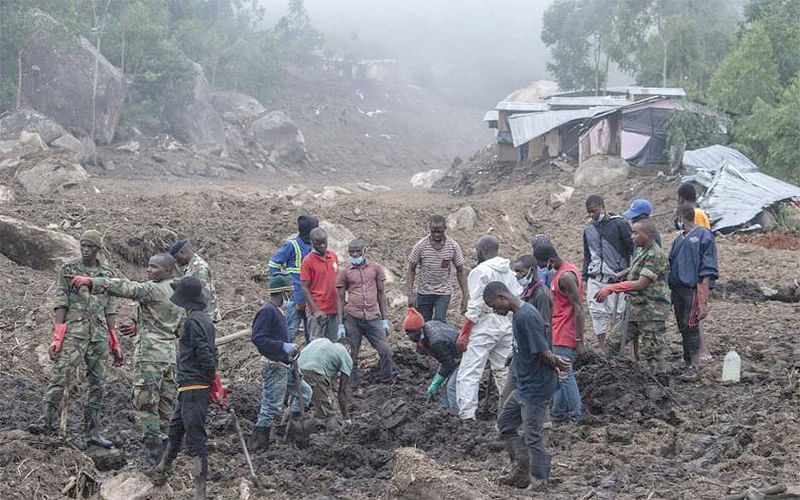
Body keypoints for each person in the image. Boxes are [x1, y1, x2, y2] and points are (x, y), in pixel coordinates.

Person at [68, 253, 184, 463]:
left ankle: (154, 452)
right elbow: (178, 329)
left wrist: (91, 281)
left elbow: (126, 287)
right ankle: (168, 449)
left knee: (145, 403)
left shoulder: (153, 289)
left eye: (154, 267)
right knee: (166, 403)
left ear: (167, 270)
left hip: (149, 355)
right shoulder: (177, 293)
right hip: (168, 354)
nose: (149, 270)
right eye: (148, 266)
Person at [28, 230, 122, 448]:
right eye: (83, 246)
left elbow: (110, 308)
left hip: (97, 335)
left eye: (90, 247)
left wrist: (114, 340)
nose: (86, 250)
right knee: (61, 375)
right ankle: (47, 422)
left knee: (98, 382)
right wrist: (57, 337)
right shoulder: (68, 269)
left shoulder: (106, 274)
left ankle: (92, 432)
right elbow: (61, 301)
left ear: (98, 249)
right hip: (74, 333)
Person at [483, 281, 565, 490]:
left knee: (533, 435)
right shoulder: (519, 315)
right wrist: (515, 354)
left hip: (536, 388)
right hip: (524, 385)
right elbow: (527, 345)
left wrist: (555, 362)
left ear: (503, 297)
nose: (495, 310)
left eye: (494, 305)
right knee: (506, 424)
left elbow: (542, 350)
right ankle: (520, 470)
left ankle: (539, 481)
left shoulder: (527, 316)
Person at [152, 277, 224, 499]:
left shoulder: (193, 323)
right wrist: (213, 377)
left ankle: (200, 491)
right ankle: (161, 470)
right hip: (189, 387)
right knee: (176, 430)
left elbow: (204, 352)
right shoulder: (203, 320)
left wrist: (212, 379)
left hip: (194, 386)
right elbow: (212, 352)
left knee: (195, 437)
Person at [595, 219, 670, 385]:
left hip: (652, 311)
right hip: (636, 310)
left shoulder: (655, 254)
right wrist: (624, 273)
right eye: (632, 232)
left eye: (636, 233)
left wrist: (613, 288)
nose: (632, 236)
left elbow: (641, 283)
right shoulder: (641, 251)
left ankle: (660, 388)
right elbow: (636, 268)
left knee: (653, 351)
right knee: (613, 341)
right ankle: (612, 380)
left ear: (649, 235)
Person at [455, 236, 522, 420]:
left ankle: (467, 415)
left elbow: (475, 306)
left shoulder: (479, 271)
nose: (476, 253)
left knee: (470, 371)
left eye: (477, 249)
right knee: (504, 370)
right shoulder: (509, 272)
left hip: (485, 323)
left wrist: (465, 333)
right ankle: (512, 412)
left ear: (483, 250)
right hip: (507, 324)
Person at [248, 274, 312, 452]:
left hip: (285, 364)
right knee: (271, 406)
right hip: (274, 365)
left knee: (305, 393)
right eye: (289, 292)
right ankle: (258, 444)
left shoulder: (278, 311)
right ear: (283, 292)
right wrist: (282, 346)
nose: (291, 295)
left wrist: (289, 352)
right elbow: (258, 338)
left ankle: (292, 431)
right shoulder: (267, 311)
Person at [535, 244, 584, 423]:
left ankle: (576, 416)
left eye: (541, 264)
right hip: (560, 329)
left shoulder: (565, 277)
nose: (541, 269)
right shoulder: (566, 271)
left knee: (564, 375)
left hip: (565, 331)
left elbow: (579, 308)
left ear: (550, 260)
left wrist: (579, 340)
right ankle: (558, 412)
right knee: (561, 373)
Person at [668, 205, 718, 381]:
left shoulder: (703, 235)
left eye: (676, 217)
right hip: (677, 288)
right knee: (682, 326)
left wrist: (703, 299)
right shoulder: (679, 239)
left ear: (682, 217)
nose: (675, 221)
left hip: (692, 288)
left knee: (691, 326)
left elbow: (707, 269)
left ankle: (695, 366)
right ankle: (687, 360)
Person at [337, 239, 394, 387]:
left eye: (358, 251)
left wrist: (384, 320)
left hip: (372, 317)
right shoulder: (345, 272)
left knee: (385, 350)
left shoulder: (375, 268)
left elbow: (381, 294)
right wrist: (340, 324)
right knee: (352, 354)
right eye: (352, 252)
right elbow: (341, 298)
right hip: (353, 317)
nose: (355, 255)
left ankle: (385, 381)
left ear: (364, 251)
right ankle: (353, 386)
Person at [500, 255, 553, 406]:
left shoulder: (541, 295)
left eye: (520, 271)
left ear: (532, 271)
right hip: (522, 353)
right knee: (510, 396)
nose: (517, 275)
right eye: (515, 271)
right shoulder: (527, 292)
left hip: (533, 356)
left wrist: (542, 356)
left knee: (533, 398)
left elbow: (544, 328)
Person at [583, 195, 634, 350]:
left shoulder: (619, 225)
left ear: (602, 207)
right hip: (596, 276)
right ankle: (602, 346)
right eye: (589, 212)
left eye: (594, 211)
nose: (592, 215)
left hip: (617, 277)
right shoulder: (588, 230)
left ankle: (617, 347)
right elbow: (587, 255)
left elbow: (632, 248)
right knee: (595, 311)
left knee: (619, 314)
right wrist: (584, 276)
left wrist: (630, 271)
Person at [406, 215, 469, 321]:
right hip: (424, 292)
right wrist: (410, 294)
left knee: (439, 323)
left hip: (443, 293)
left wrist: (465, 296)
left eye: (439, 231)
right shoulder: (421, 246)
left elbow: (461, 271)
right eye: (433, 231)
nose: (436, 235)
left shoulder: (452, 246)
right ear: (429, 229)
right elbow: (411, 269)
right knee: (424, 324)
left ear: (445, 229)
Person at [677, 183, 713, 361]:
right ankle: (699, 352)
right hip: (694, 272)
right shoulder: (702, 213)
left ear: (681, 198)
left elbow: (696, 243)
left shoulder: (696, 216)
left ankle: (701, 351)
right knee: (693, 318)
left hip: (693, 274)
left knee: (693, 318)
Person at [268, 215, 319, 342]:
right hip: (293, 297)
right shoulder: (292, 245)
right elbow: (274, 264)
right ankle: (287, 359)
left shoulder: (314, 247)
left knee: (311, 334)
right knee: (289, 332)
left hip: (310, 298)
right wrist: (281, 286)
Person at [403, 308, 460, 413]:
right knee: (445, 390)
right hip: (454, 354)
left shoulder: (435, 341)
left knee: (452, 387)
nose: (410, 336)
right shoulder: (429, 326)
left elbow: (448, 364)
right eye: (407, 333)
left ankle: (458, 416)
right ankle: (445, 415)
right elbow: (444, 360)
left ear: (420, 328)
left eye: (412, 332)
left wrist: (436, 383)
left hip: (465, 354)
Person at [297, 337, 353, 424]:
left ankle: (285, 427)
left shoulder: (321, 341)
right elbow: (342, 391)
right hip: (314, 372)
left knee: (296, 404)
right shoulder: (345, 355)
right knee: (328, 414)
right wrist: (346, 418)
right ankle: (330, 434)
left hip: (296, 370)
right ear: (349, 349)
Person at [300, 227, 340, 341]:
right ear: (312, 243)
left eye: (324, 242)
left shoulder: (333, 256)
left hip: (333, 309)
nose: (322, 246)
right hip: (318, 311)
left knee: (334, 344)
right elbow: (304, 287)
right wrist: (316, 310)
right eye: (318, 243)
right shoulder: (307, 262)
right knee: (317, 344)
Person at [170, 239, 220, 323]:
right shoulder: (192, 266)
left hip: (205, 317)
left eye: (176, 257)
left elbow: (202, 295)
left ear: (182, 253)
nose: (175, 261)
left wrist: (195, 319)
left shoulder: (199, 268)